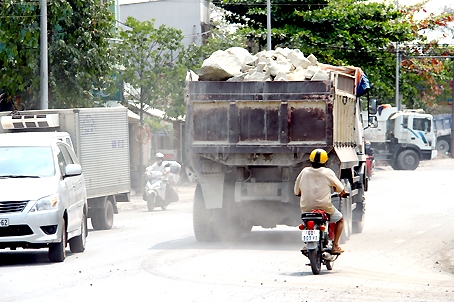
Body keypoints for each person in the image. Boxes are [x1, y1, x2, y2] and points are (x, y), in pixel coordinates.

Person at [294, 148, 348, 254]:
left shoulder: (304, 172)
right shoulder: (327, 172)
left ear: (310, 160)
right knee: (340, 219)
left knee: (306, 223)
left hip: (306, 207)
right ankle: (335, 245)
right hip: (324, 207)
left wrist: (300, 193)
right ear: (325, 161)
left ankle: (306, 244)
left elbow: (296, 191)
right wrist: (342, 193)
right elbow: (340, 188)